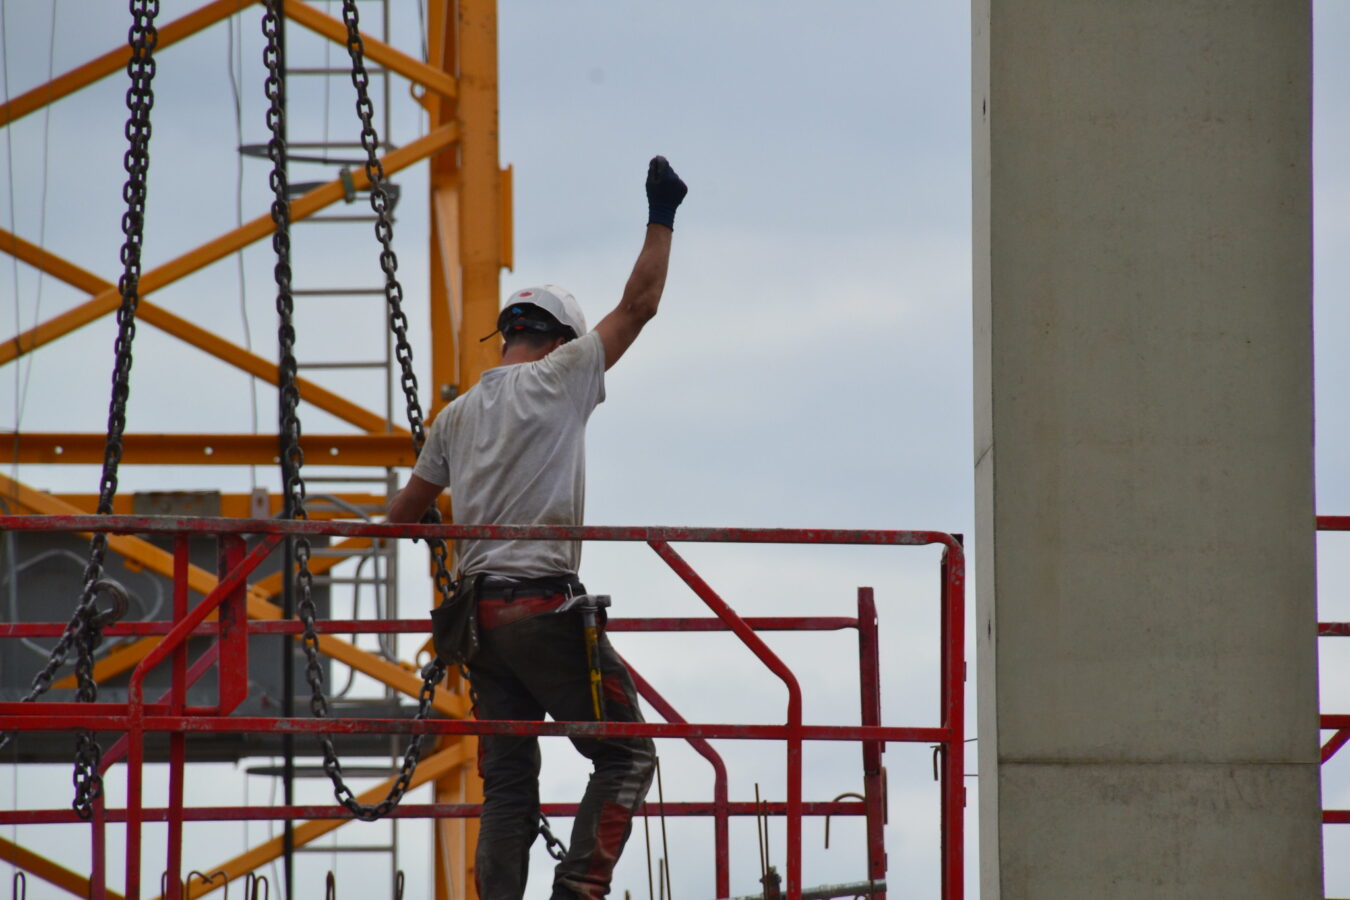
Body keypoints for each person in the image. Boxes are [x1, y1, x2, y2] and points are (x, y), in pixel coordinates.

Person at [386, 156, 688, 900]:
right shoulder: (563, 378)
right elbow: (642, 303)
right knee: (626, 756)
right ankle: (578, 891)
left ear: (509, 336)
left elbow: (399, 519)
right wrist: (663, 211)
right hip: (541, 608)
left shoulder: (455, 417)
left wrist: (443, 529)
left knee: (509, 788)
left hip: (477, 626)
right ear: (560, 341)